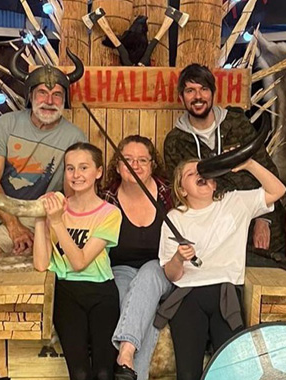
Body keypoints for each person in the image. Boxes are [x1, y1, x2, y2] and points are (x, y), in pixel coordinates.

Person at [0, 51, 87, 325]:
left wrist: (45, 228)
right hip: (5, 214)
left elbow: (72, 193)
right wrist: (14, 226)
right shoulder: (8, 124)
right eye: (43, 93)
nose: (49, 101)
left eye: (57, 94)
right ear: (30, 96)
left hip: (48, 217)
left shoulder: (75, 137)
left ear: (65, 100)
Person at [156, 157, 286, 380]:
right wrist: (178, 257)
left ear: (214, 182)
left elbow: (278, 190)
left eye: (204, 171)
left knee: (230, 371)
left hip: (225, 294)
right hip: (188, 296)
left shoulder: (235, 202)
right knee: (188, 374)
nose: (200, 175)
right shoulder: (174, 218)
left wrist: (249, 164)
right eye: (191, 174)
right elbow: (171, 274)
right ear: (181, 190)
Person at [162, 63, 286, 267]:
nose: (198, 96)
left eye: (204, 89)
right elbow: (179, 193)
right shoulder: (175, 141)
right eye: (190, 91)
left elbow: (268, 170)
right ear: (181, 97)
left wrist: (265, 219)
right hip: (216, 237)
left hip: (258, 228)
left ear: (213, 93)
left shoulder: (237, 123)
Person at [33, 142, 122, 380]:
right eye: (70, 168)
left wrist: (58, 222)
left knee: (104, 372)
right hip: (67, 293)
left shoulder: (110, 213)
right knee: (79, 373)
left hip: (102, 293)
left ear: (99, 172)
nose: (76, 175)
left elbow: (80, 262)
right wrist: (40, 219)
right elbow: (42, 264)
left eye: (84, 167)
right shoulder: (56, 209)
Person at [101, 135, 174, 380]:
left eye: (143, 159)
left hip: (162, 269)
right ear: (118, 166)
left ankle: (124, 355)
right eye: (128, 159)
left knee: (149, 275)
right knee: (132, 301)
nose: (135, 165)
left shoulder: (168, 195)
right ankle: (128, 359)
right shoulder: (107, 198)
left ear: (153, 164)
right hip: (120, 268)